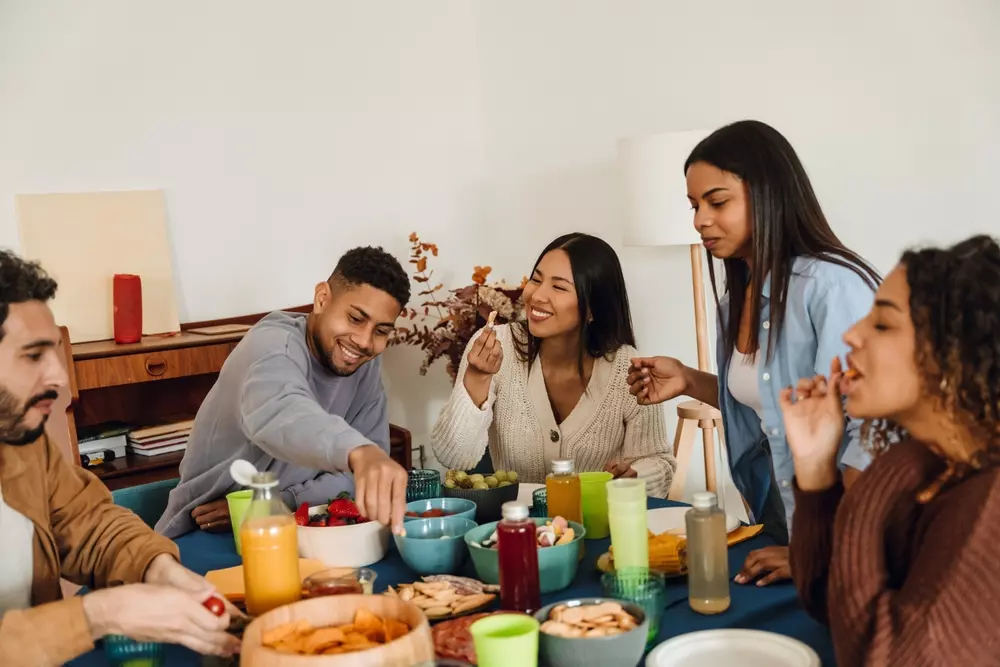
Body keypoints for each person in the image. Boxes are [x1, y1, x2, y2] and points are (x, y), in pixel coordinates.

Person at [626, 120, 880, 584]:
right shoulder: (734, 303)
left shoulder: (830, 288)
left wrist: (825, 549)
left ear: (768, 194)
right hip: (779, 515)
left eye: (717, 201)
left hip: (846, 533)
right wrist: (689, 378)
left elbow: (870, 435)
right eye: (694, 205)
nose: (700, 219)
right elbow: (766, 401)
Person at [0, 251, 240, 666]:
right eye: (34, 355)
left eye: (55, 352)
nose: (59, 377)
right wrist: (100, 614)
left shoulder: (21, 442)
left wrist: (157, 568)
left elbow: (88, 523)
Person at [784, 235, 1000, 665]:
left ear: (950, 353)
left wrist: (876, 482)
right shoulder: (934, 466)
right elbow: (833, 605)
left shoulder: (987, 499)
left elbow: (883, 656)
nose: (851, 334)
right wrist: (815, 469)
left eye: (882, 324)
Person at [156, 246, 411, 538]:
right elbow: (281, 412)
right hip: (205, 533)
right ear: (322, 299)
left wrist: (277, 503)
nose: (365, 342)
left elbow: (358, 479)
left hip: (295, 525)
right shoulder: (271, 345)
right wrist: (360, 452)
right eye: (355, 318)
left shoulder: (364, 366)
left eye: (381, 331)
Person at [433, 233, 677, 497]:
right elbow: (454, 457)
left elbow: (659, 462)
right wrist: (477, 377)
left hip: (597, 530)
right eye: (536, 279)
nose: (537, 295)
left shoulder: (628, 369)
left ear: (593, 309)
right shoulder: (498, 346)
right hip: (516, 528)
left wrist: (635, 476)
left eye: (559, 287)